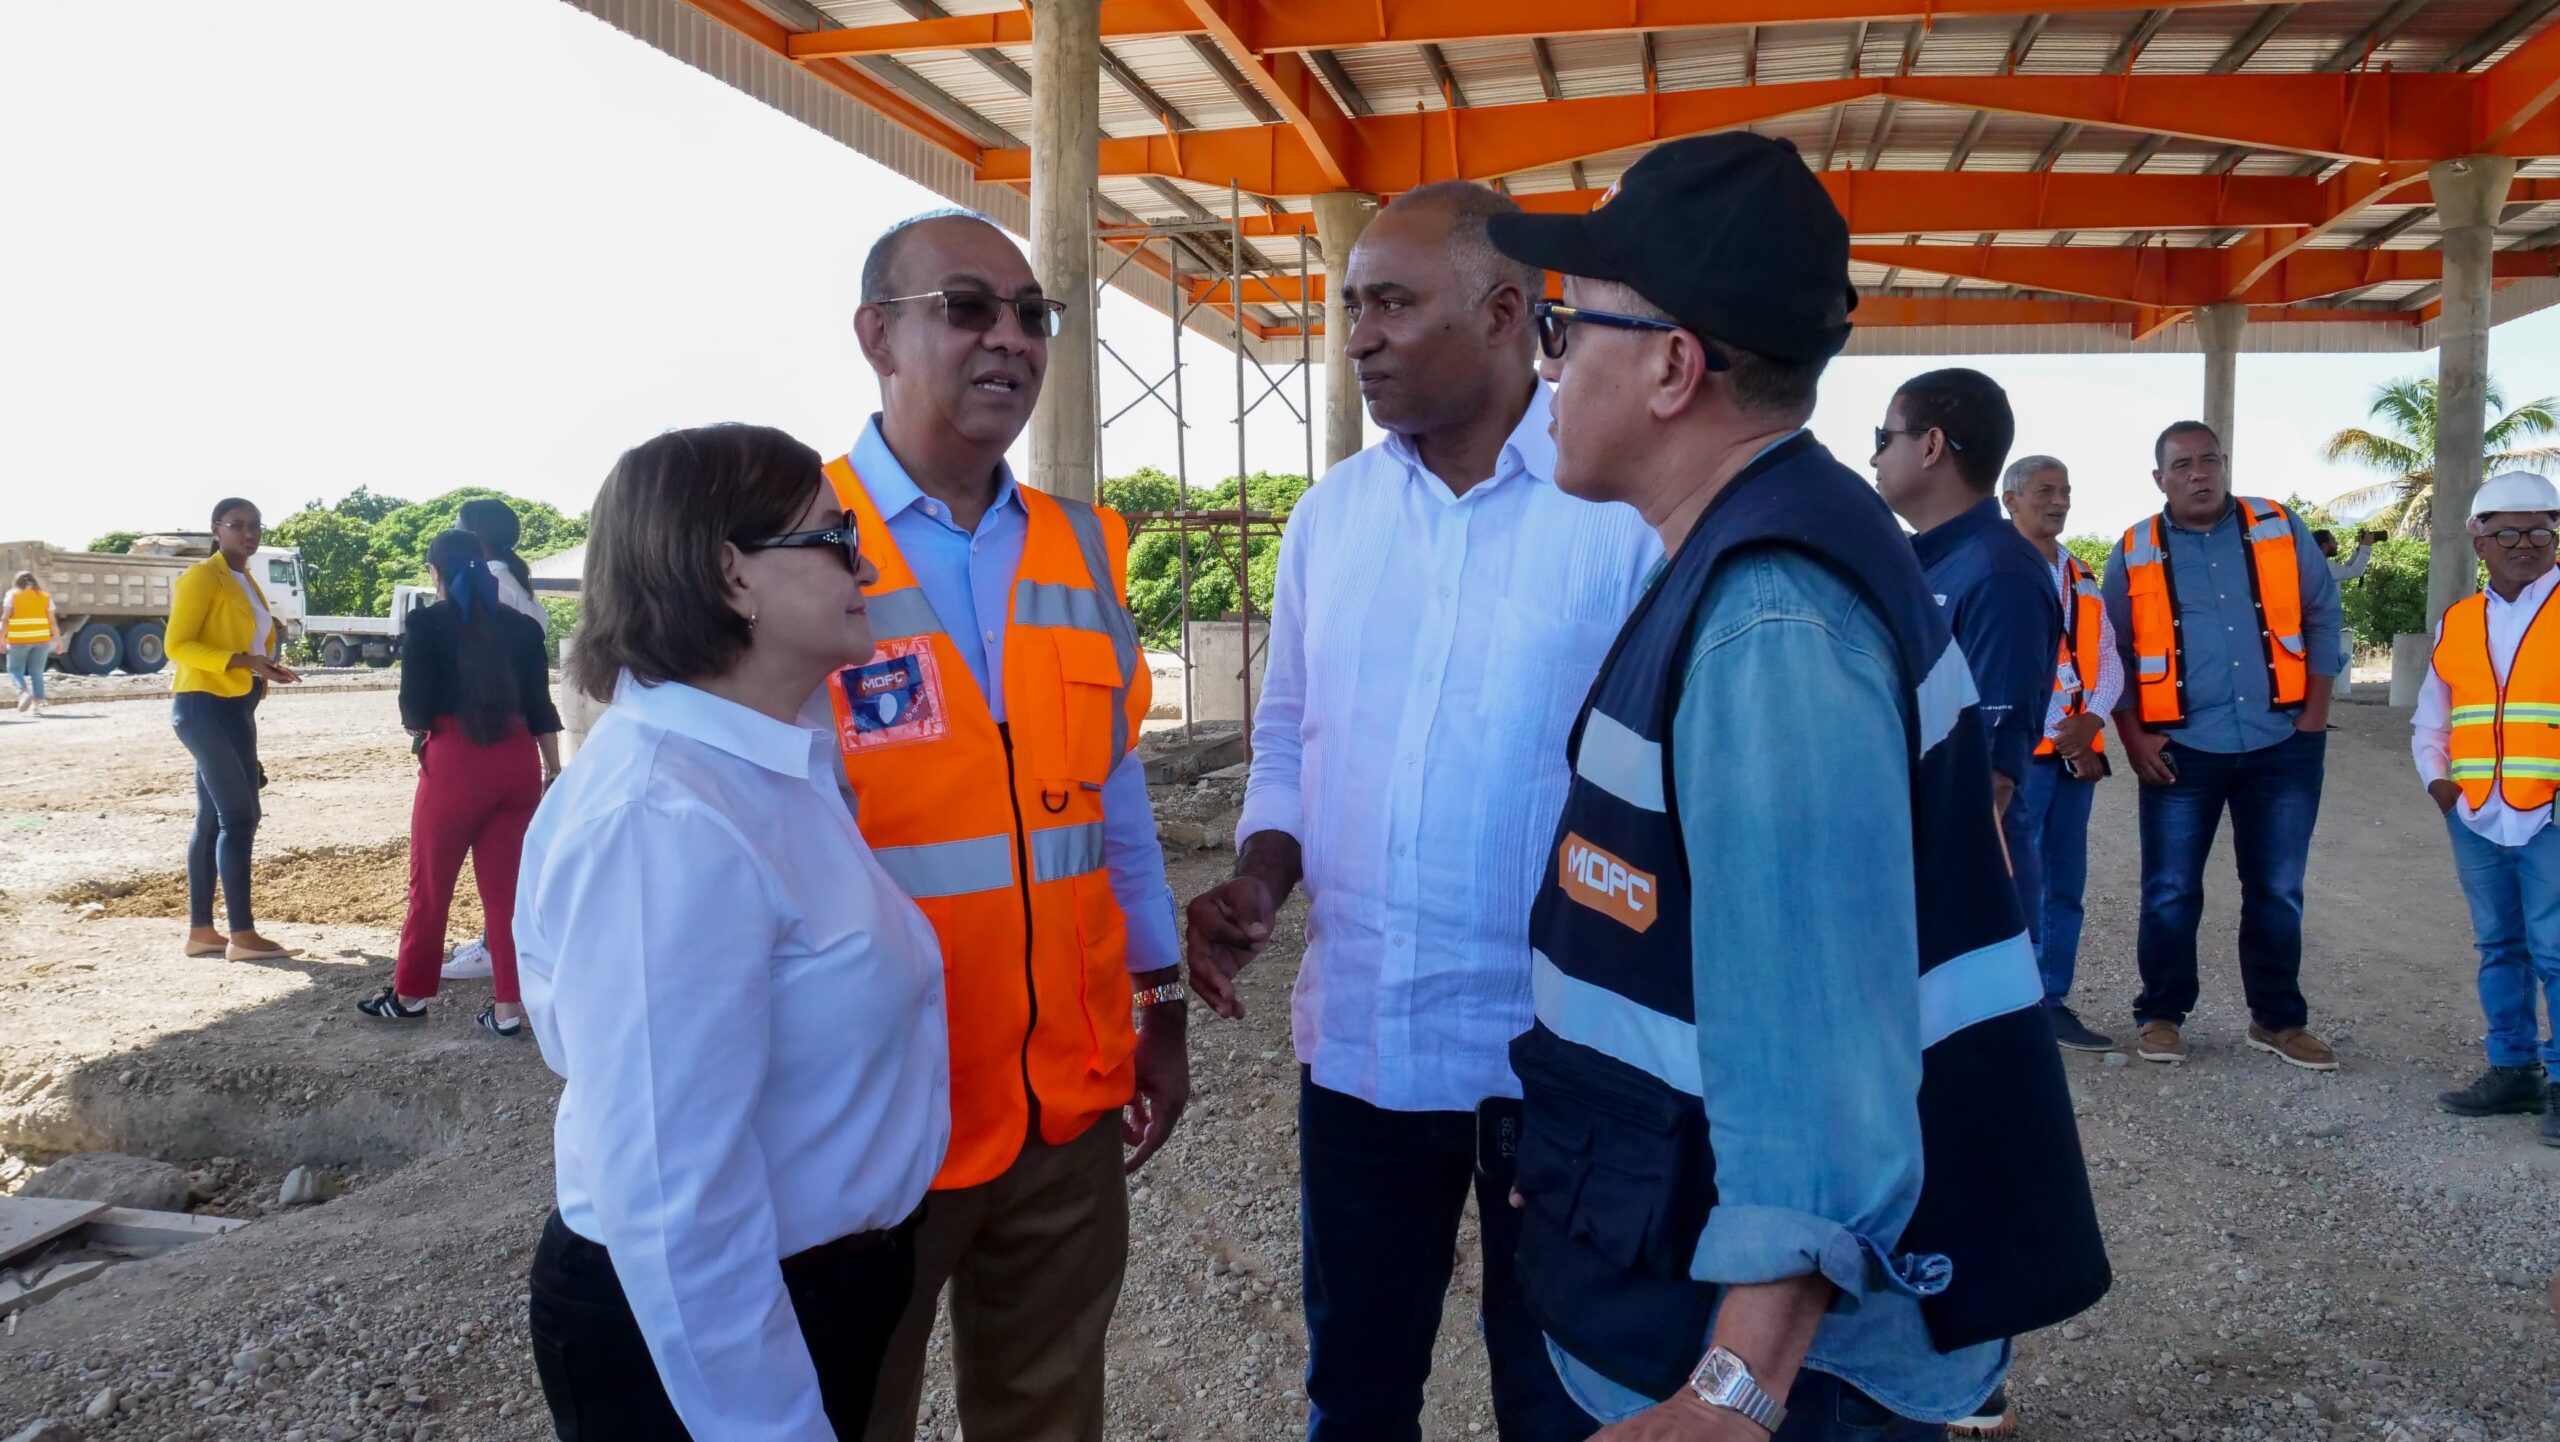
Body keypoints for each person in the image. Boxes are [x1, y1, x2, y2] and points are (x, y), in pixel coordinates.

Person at [1480, 132, 2108, 1442]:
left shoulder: (1772, 616)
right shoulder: (1750, 548)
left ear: (1670, 365)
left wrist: (1733, 1388)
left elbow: (1819, 1048)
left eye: (1561, 327)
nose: (1544, 363)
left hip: (1781, 1377)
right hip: (1689, 1296)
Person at [1184, 182, 1658, 1442]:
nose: (1360, 335)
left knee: (1556, 1392)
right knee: (1355, 1385)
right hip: (1363, 1051)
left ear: (1506, 311)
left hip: (1553, 1056)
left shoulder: (1619, 516)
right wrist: (1260, 878)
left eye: (1391, 301)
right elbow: (1288, 731)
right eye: (1351, 307)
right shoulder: (1329, 519)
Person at [816, 210, 1183, 1442]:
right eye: (968, 307)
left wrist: (1160, 1001)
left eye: (1035, 315)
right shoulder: (785, 545)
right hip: (872, 1121)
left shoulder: (1081, 546)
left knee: (1047, 1417)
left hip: (1060, 1109)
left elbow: (1112, 803)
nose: (1011, 339)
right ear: (877, 334)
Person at [515, 423, 949, 1439]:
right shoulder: (664, 816)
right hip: (718, 1321)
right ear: (731, 573)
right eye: (833, 536)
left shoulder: (775, 761)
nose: (865, 559)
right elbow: (672, 1188)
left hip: (816, 1286)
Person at [2103, 421, 2344, 1070]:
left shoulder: (2278, 526)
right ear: (2160, 479)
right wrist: (2132, 735)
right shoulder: (2134, 548)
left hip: (2283, 743)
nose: (2198, 474)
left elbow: (2324, 614)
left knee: (2277, 888)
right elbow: (2114, 653)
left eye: (2209, 460)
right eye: (2181, 465)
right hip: (2182, 748)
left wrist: (2314, 717)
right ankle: (2160, 1015)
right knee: (2171, 888)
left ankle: (2277, 1020)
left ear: (2226, 464)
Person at [1872, 369, 2057, 966]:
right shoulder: (1922, 562)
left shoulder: (1998, 574)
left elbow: (1992, 775)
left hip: (1953, 893)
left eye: (1884, 436)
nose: (1873, 455)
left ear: (1930, 446)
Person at [357, 529, 561, 1035]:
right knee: (509, 894)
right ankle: (510, 1009)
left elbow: (415, 711)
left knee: (431, 888)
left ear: (435, 573)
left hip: (455, 760)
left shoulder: (426, 623)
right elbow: (541, 707)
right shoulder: (523, 628)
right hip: (519, 762)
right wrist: (553, 770)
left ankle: (408, 996)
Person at [2414, 470, 2560, 1142]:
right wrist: (2437, 781)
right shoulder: (2460, 620)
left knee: (2555, 949)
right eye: (2507, 529)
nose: (2525, 541)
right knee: (2499, 945)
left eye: (2540, 528)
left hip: (2549, 813)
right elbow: (2432, 716)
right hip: (2476, 815)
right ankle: (2514, 1070)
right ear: (2478, 539)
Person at [2002, 456, 2121, 1053]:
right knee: (2012, 878)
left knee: (2063, 880)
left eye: (2066, 490)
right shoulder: (1995, 569)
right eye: (2045, 490)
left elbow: (2107, 659)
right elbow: (2003, 665)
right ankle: (2004, 1003)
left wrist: (2091, 720)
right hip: (2021, 755)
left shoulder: (2082, 575)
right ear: (2010, 500)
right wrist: (2064, 729)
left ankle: (2049, 1000)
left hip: (2075, 754)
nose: (2059, 500)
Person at [166, 498, 301, 962]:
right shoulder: (203, 577)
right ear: (215, 530)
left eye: (254, 526)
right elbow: (177, 644)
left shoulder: (246, 581)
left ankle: (202, 932)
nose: (248, 533)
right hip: (203, 706)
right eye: (237, 525)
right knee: (241, 818)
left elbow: (243, 645)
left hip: (237, 706)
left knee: (211, 820)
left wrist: (265, 669)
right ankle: (242, 936)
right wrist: (243, 661)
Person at [442, 497, 551, 986]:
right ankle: (498, 941)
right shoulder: (519, 583)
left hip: (485, 734)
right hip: (522, 735)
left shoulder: (488, 584)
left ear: (477, 535)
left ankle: (494, 945)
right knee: (509, 853)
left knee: (489, 855)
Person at [7, 570, 59, 715]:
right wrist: (58, 641)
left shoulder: (12, 595)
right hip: (42, 639)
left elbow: (5, 618)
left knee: (15, 670)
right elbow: (52, 622)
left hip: (19, 639)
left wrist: (1, 638)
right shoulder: (45, 596)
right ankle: (37, 705)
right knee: (37, 671)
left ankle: (24, 692)